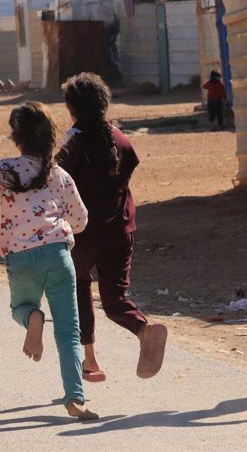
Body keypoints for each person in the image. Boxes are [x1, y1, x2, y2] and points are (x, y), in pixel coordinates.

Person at [0, 101, 98, 420]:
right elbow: (80, 221)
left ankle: (32, 319)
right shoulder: (59, 174)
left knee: (20, 309)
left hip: (20, 257)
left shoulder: (4, 169)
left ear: (16, 137)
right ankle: (75, 399)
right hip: (58, 254)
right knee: (68, 330)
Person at [57, 72, 167, 383]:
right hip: (120, 229)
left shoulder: (72, 140)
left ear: (72, 107)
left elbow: (57, 181)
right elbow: (128, 169)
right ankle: (143, 329)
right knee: (115, 299)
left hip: (81, 233)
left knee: (78, 289)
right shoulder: (120, 138)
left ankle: (90, 361)